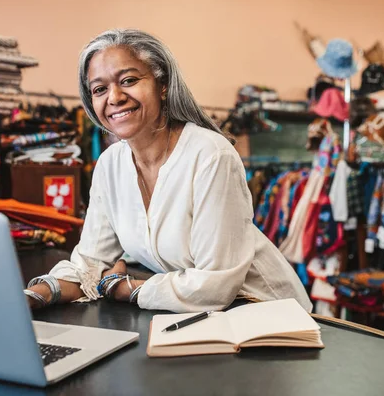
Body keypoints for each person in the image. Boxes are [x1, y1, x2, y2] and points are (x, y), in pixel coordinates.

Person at [24, 28, 312, 313]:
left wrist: (126, 288)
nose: (114, 97)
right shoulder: (110, 165)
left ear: (162, 84)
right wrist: (32, 296)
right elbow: (88, 264)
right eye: (99, 89)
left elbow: (214, 286)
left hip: (270, 313)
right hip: (204, 318)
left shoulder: (211, 156)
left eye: (129, 80)